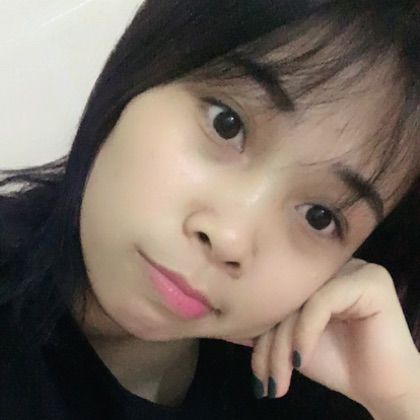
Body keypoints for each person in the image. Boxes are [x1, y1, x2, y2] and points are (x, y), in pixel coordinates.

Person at [0, 1, 419, 419]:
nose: (230, 238)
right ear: (142, 67)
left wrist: (400, 400)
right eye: (226, 123)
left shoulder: (325, 383)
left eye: (319, 216)